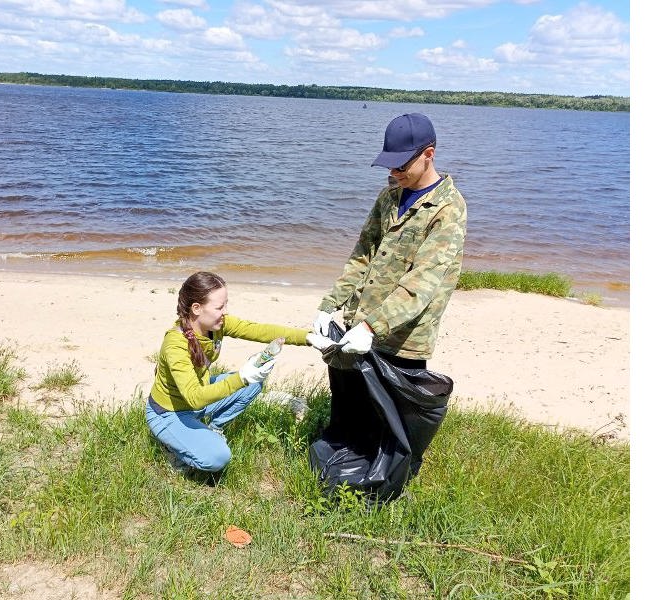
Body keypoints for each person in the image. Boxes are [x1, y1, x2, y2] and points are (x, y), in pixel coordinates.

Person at [313, 112, 467, 369]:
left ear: (428, 155)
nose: (394, 172)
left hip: (402, 343)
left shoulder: (449, 208)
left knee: (390, 411)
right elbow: (362, 254)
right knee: (346, 407)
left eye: (401, 165)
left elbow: (422, 282)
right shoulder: (389, 196)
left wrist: (372, 328)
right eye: (390, 165)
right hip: (356, 327)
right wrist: (330, 303)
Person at [147, 271, 333, 473]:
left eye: (226, 304)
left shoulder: (216, 325)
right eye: (219, 307)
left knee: (254, 383)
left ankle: (214, 428)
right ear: (196, 308)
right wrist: (241, 377)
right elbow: (194, 398)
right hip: (169, 412)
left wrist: (308, 338)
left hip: (199, 397)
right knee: (217, 458)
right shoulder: (175, 344)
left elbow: (259, 330)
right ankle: (173, 449)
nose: (225, 311)